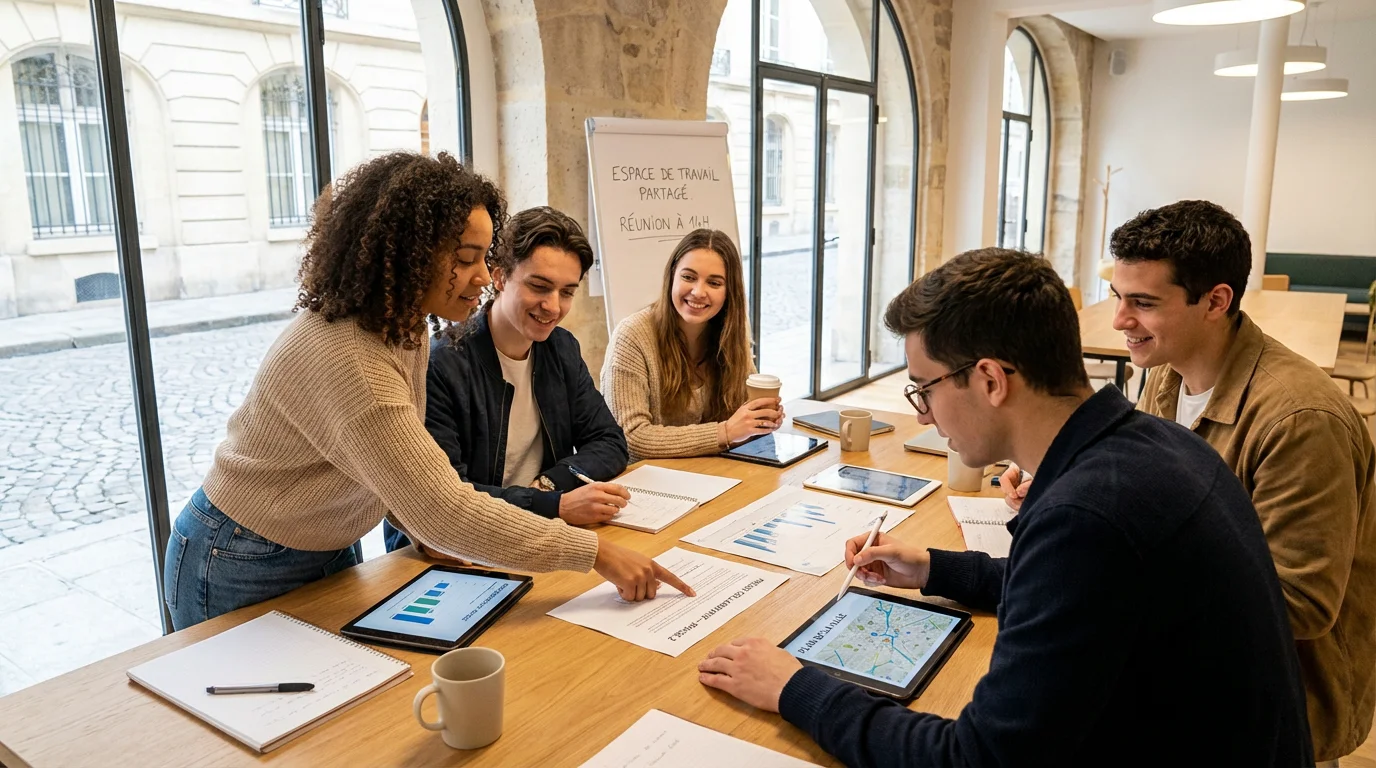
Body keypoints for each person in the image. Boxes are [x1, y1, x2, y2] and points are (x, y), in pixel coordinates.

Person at [698, 248, 1312, 766]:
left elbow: (979, 758)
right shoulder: (1152, 443)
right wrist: (935, 570)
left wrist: (796, 688)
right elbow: (1080, 594)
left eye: (926, 388)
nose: (922, 414)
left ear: (990, 380)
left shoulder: (1087, 516)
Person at [161, 152, 691, 631]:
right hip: (237, 555)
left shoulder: (403, 325)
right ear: (410, 252)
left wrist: (421, 527)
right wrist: (595, 553)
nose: (483, 276)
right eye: (465, 257)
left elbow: (396, 471)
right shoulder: (353, 357)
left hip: (324, 542)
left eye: (485, 258)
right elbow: (445, 504)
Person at [1107, 200, 1370, 765]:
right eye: (1118, 296)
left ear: (1216, 301)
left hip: (1272, 703)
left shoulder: (1301, 420)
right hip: (1188, 667)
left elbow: (1298, 603)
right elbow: (1147, 485)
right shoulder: (1166, 375)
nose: (1119, 321)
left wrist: (1128, 574)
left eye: (1143, 303)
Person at [383, 207, 631, 552]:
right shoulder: (441, 364)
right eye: (539, 286)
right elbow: (446, 496)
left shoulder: (560, 348)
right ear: (499, 278)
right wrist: (553, 505)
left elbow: (610, 441)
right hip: (449, 548)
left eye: (567, 292)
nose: (553, 306)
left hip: (535, 533)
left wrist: (547, 485)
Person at [601, 229, 782, 460]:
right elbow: (631, 439)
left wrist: (758, 423)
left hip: (710, 475)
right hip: (646, 484)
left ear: (729, 292)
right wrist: (725, 432)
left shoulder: (731, 336)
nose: (698, 292)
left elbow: (739, 424)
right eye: (688, 277)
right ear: (672, 277)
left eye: (714, 283)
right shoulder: (632, 336)